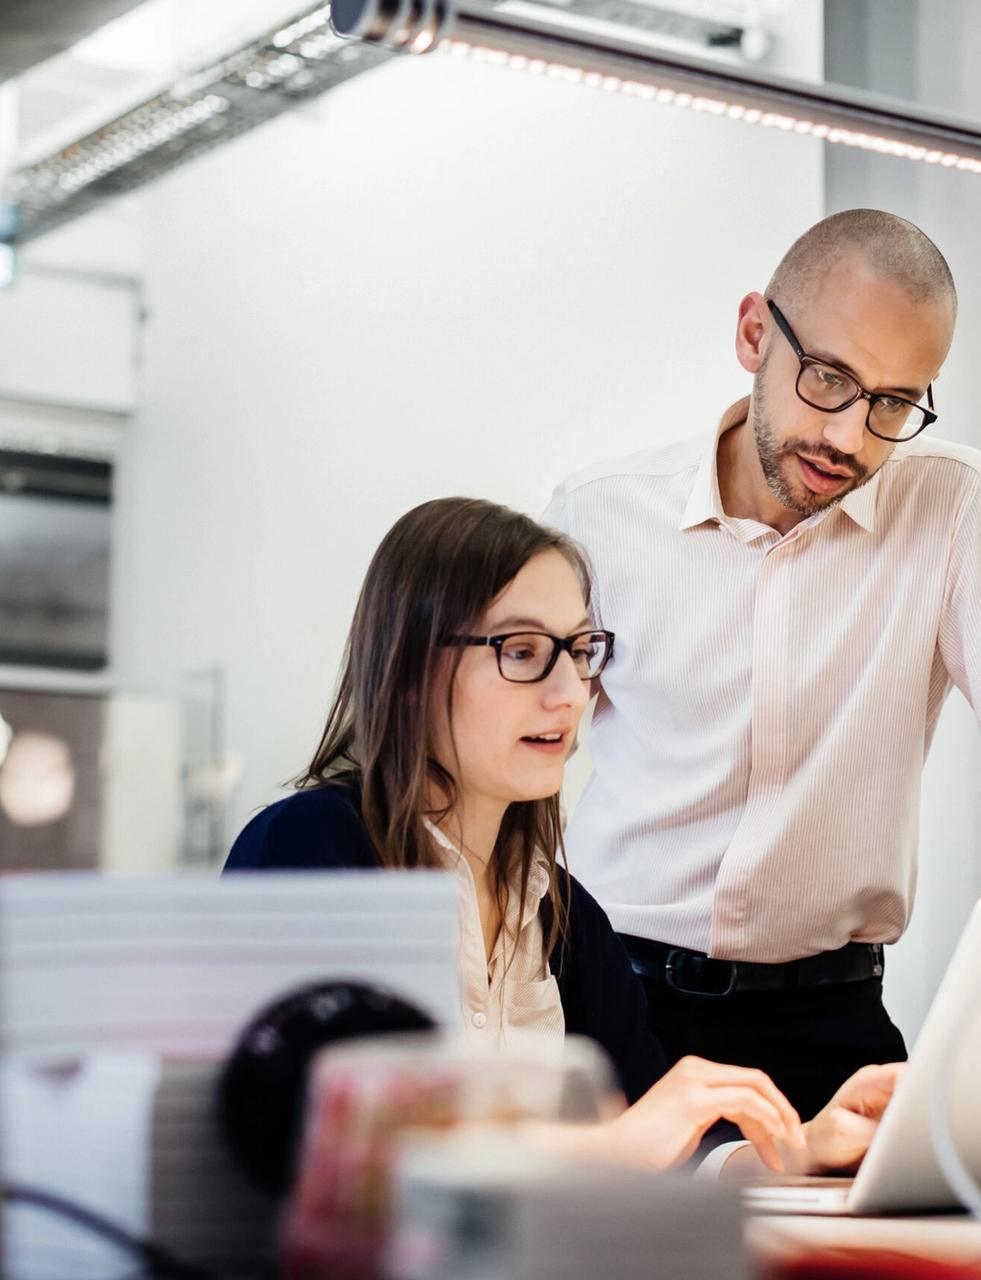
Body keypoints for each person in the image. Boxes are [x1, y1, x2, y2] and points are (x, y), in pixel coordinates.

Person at [226, 495, 900, 1176]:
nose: (571, 694)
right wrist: (617, 1144)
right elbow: (322, 1142)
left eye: (580, 651)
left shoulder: (566, 915)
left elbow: (654, 1151)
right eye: (521, 652)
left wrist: (799, 1146)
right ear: (408, 667)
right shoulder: (310, 847)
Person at [542, 207, 978, 1121]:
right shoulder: (599, 515)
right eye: (828, 379)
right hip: (611, 1005)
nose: (851, 440)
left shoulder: (951, 511)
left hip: (831, 1030)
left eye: (894, 403)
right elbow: (503, 765)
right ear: (753, 334)